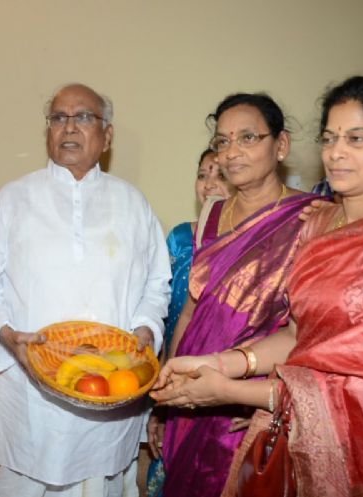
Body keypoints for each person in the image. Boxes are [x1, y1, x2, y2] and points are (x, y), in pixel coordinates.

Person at [152, 76, 363, 497]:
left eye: (357, 138)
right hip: (304, 448)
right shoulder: (317, 225)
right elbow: (297, 337)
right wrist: (220, 364)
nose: (336, 152)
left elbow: (362, 380)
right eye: (329, 138)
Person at [0, 83, 171, 497]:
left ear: (107, 136)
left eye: (83, 117)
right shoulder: (13, 199)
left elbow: (157, 284)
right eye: (58, 117)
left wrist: (146, 328)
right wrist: (7, 336)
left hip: (110, 393)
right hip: (28, 397)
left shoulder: (133, 204)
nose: (69, 127)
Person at [152, 93, 318, 497]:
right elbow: (191, 311)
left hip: (248, 397)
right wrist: (168, 391)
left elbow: (312, 332)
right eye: (222, 141)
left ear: (280, 145)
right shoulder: (212, 212)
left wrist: (267, 399)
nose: (231, 152)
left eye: (247, 137)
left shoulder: (310, 219)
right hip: (192, 384)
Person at [146, 149, 232, 497]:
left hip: (232, 392)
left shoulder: (260, 248)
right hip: (178, 384)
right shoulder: (181, 239)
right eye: (202, 175)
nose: (209, 184)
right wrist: (160, 402)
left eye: (220, 174)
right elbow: (166, 317)